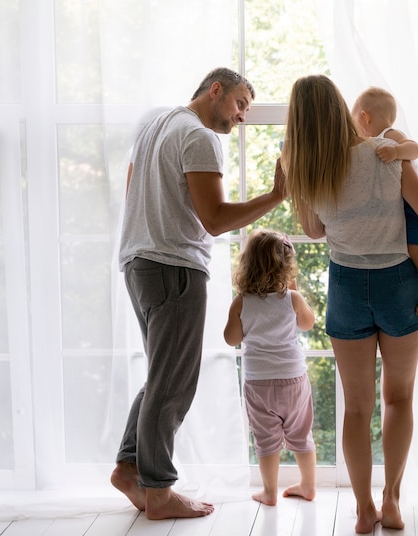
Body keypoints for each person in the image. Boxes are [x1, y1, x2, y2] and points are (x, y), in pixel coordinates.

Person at [111, 67, 287, 520]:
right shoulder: (200, 136)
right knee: (173, 383)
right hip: (174, 269)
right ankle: (159, 490)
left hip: (138, 261)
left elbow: (133, 189)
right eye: (240, 104)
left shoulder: (155, 126)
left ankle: (130, 468)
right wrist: (275, 196)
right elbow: (214, 219)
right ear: (215, 90)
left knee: (162, 374)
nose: (242, 116)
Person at [280, 75, 418, 534]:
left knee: (355, 407)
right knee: (399, 397)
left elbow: (314, 232)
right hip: (398, 280)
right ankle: (392, 501)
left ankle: (363, 508)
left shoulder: (306, 168)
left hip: (347, 284)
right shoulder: (383, 152)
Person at [223, 228, 317, 506]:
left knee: (265, 439)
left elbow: (231, 339)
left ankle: (269, 492)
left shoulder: (241, 302)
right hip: (293, 379)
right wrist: (294, 289)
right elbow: (307, 324)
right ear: (287, 267)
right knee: (301, 434)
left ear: (247, 265)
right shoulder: (292, 298)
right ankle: (309, 486)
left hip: (258, 382)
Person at [351, 86, 418, 316]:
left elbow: (415, 148)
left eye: (354, 122)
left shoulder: (390, 136)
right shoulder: (379, 140)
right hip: (406, 203)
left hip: (416, 203)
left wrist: (396, 152)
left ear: (365, 117)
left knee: (415, 247)